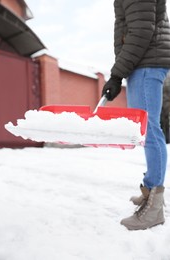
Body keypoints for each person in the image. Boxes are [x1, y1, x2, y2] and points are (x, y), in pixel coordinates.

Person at [102, 0, 170, 230]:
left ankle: (155, 209)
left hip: (146, 62)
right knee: (146, 129)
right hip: (142, 62)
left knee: (150, 130)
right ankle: (151, 190)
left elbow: (141, 31)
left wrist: (116, 74)